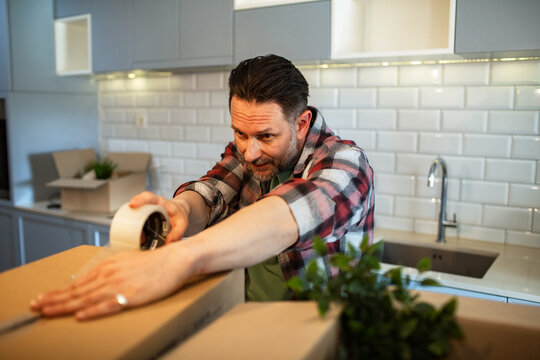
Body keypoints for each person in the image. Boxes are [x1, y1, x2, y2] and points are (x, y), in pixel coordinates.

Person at [30, 54, 375, 320]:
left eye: (266, 136)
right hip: (247, 322)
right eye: (240, 133)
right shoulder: (249, 153)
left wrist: (181, 259)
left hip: (317, 334)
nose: (250, 152)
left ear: (301, 124)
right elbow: (212, 191)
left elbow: (289, 214)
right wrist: (179, 210)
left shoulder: (345, 163)